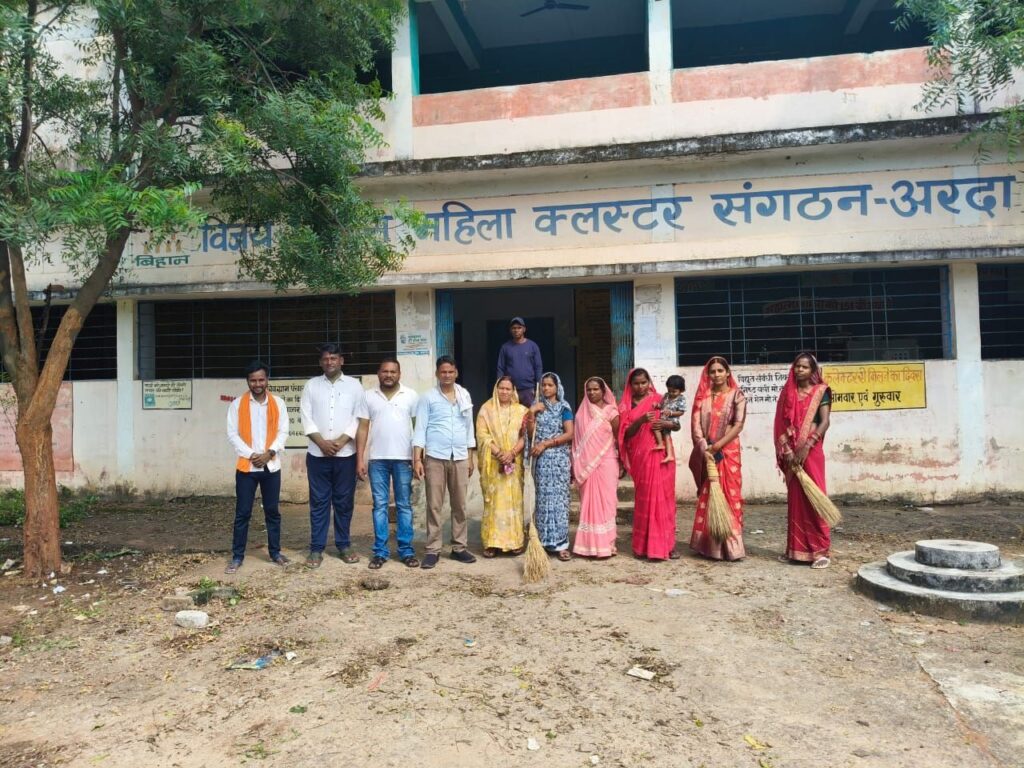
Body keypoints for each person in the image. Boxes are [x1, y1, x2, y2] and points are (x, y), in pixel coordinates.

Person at [300, 343, 366, 569]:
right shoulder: (311, 385)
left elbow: (358, 418)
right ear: (321, 362)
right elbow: (306, 417)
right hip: (317, 455)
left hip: (345, 454)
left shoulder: (355, 386)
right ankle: (316, 548)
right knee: (318, 502)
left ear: (341, 361)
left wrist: (341, 441)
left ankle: (344, 545)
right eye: (326, 359)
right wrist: (321, 442)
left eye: (334, 358)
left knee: (343, 502)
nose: (330, 362)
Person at [224, 361, 291, 574]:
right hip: (247, 468)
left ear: (267, 379)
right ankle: (237, 556)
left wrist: (269, 453)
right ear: (248, 381)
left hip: (271, 466)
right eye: (253, 380)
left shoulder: (278, 403)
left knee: (272, 512)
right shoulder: (237, 405)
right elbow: (232, 434)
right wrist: (252, 455)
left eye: (261, 379)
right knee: (243, 513)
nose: (258, 384)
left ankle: (275, 552)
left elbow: (283, 431)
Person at [413, 355, 477, 570]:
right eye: (443, 372)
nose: (447, 375)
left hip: (459, 457)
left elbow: (469, 427)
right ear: (437, 374)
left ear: (456, 373)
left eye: (450, 372)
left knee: (460, 504)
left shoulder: (464, 395)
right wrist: (417, 458)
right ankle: (432, 550)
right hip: (435, 457)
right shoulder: (428, 397)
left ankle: (459, 547)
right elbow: (420, 428)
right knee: (434, 505)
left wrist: (470, 456)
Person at [355, 358, 420, 570]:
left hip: (404, 459)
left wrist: (418, 458)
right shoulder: (368, 396)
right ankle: (380, 552)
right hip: (378, 460)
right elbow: (363, 428)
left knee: (404, 506)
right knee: (380, 506)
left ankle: (406, 551)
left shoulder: (411, 395)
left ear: (399, 374)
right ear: (378, 373)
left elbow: (418, 428)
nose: (389, 375)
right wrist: (360, 458)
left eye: (393, 371)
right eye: (385, 371)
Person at [774, 351, 833, 569]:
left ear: (813, 370)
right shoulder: (787, 394)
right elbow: (780, 424)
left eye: (805, 367)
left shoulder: (821, 391)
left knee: (814, 497)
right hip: (792, 453)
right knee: (796, 500)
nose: (800, 370)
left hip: (812, 451)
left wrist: (807, 446)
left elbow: (825, 421)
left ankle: (820, 551)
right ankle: (796, 550)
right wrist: (787, 451)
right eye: (797, 366)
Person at [688, 357, 747, 561]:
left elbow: (739, 424)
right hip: (708, 451)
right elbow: (696, 425)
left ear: (727, 372)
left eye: (720, 370)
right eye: (712, 371)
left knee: (730, 494)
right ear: (708, 375)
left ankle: (731, 547)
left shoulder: (737, 395)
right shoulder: (702, 398)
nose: (716, 374)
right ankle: (709, 546)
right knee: (710, 493)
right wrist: (704, 446)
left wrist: (718, 445)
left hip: (728, 451)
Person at [618, 368, 679, 561]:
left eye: (643, 382)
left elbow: (676, 424)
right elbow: (625, 434)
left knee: (664, 500)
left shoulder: (660, 400)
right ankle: (643, 547)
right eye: (636, 383)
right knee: (645, 500)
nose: (640, 387)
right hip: (641, 457)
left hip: (662, 455)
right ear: (630, 385)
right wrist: (641, 420)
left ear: (649, 382)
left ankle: (667, 546)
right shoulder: (625, 405)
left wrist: (664, 424)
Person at [476, 376, 528, 557]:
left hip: (514, 463)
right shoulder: (486, 409)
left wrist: (512, 453)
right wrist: (499, 453)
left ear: (513, 391)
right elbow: (482, 435)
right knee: (494, 502)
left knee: (514, 502)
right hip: (493, 463)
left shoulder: (522, 411)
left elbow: (526, 436)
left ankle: (515, 542)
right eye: (501, 388)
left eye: (508, 389)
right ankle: (492, 542)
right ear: (496, 389)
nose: (504, 392)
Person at [526, 372, 575, 560]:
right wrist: (532, 413)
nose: (546, 388)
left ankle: (561, 544)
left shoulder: (564, 407)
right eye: (544, 385)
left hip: (559, 459)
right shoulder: (537, 407)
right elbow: (531, 434)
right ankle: (543, 543)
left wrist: (546, 444)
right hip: (542, 462)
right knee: (543, 500)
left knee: (559, 502)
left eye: (550, 385)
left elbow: (569, 433)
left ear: (557, 387)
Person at [571, 376, 621, 559]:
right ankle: (587, 546)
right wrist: (576, 463)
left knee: (607, 503)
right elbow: (577, 443)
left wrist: (622, 460)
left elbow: (617, 438)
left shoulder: (611, 411)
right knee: (588, 503)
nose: (592, 392)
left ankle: (607, 545)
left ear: (603, 391)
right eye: (589, 390)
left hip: (607, 461)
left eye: (595, 389)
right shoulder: (580, 414)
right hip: (586, 465)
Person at [496, 316, 543, 407]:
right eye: (514, 328)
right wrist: (500, 388)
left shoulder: (532, 346)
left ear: (524, 329)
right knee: (510, 414)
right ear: (510, 330)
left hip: (528, 390)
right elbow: (500, 368)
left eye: (519, 328)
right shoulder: (505, 347)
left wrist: (538, 388)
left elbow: (538, 367)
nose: (516, 330)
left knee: (530, 414)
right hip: (510, 390)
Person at [653, 374, 687, 464]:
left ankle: (663, 447)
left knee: (658, 428)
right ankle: (668, 453)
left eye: (674, 391)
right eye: (669, 390)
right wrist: (657, 405)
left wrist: (671, 413)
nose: (671, 393)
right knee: (665, 435)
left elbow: (681, 412)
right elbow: (662, 406)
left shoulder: (681, 399)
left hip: (672, 421)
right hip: (664, 419)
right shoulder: (666, 395)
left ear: (681, 390)